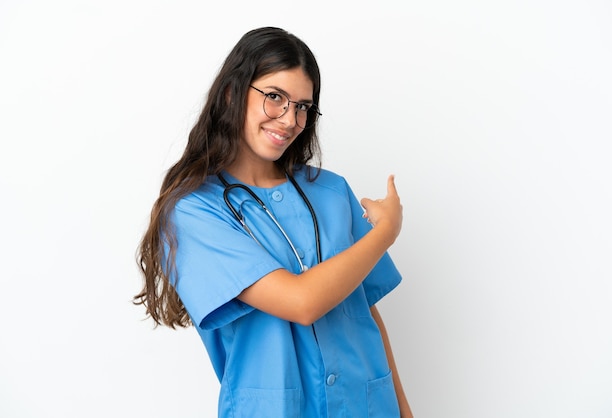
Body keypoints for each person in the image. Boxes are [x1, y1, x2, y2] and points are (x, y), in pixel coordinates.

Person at [134, 26, 413, 418]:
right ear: (232, 92)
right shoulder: (194, 212)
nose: (290, 118)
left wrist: (404, 410)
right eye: (275, 97)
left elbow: (365, 310)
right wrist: (385, 231)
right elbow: (302, 302)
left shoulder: (331, 192)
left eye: (302, 106)